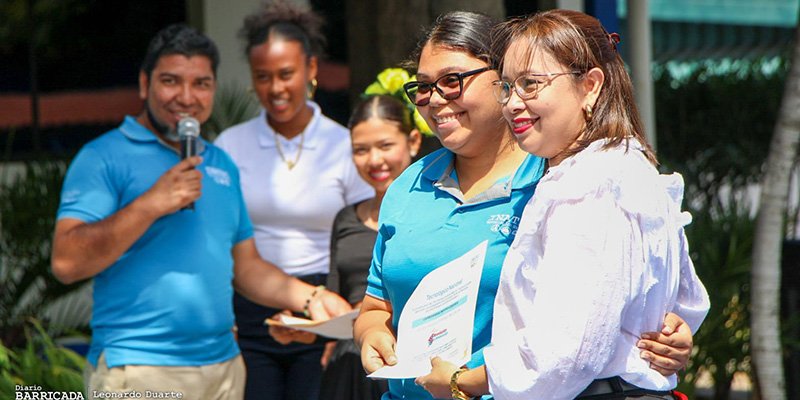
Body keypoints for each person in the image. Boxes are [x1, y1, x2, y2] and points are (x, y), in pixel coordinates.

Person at [353, 11, 699, 400]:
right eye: (423, 87)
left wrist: (668, 329)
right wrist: (373, 333)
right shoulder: (407, 187)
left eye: (452, 81)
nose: (435, 99)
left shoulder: (565, 178)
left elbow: (578, 342)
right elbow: (375, 305)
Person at [50, 24, 349, 399]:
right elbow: (66, 262)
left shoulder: (220, 161)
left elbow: (247, 267)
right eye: (171, 81)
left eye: (202, 84)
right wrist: (150, 204)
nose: (187, 97)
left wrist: (311, 298)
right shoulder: (103, 157)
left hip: (224, 370)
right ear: (145, 84)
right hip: (140, 369)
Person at [213, 2, 373, 399]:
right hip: (248, 309)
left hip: (326, 311)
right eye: (262, 77)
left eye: (286, 74)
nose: (275, 88)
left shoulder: (344, 145)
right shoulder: (230, 146)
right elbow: (215, 241)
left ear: (312, 70)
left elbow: (362, 236)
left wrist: (350, 320)